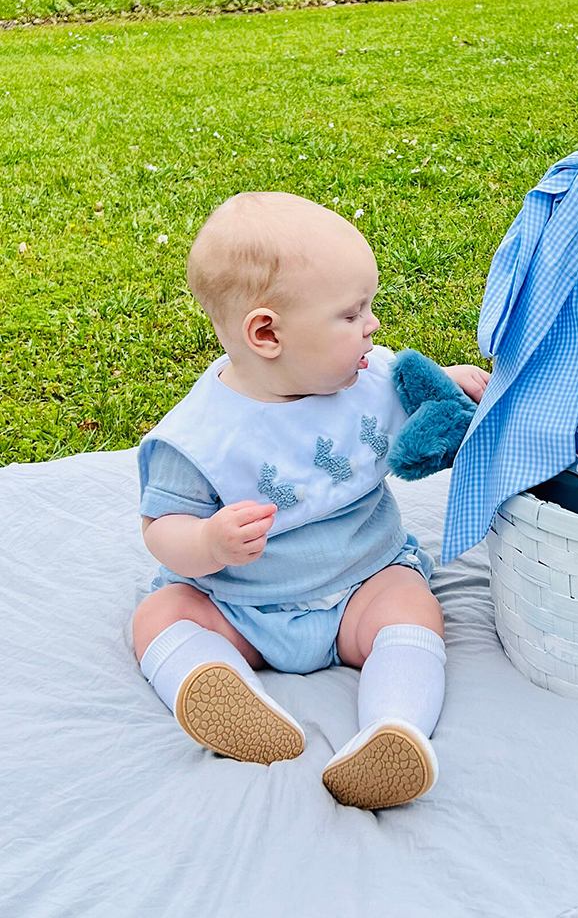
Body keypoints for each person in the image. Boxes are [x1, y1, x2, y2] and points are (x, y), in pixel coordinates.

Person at [131, 192, 489, 810]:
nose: (372, 325)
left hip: (362, 584)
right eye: (351, 314)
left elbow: (414, 397)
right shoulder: (200, 437)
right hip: (241, 606)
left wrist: (449, 382)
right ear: (267, 333)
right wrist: (209, 542)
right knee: (161, 613)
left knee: (410, 604)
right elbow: (161, 528)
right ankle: (215, 685)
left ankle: (394, 729)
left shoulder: (364, 378)